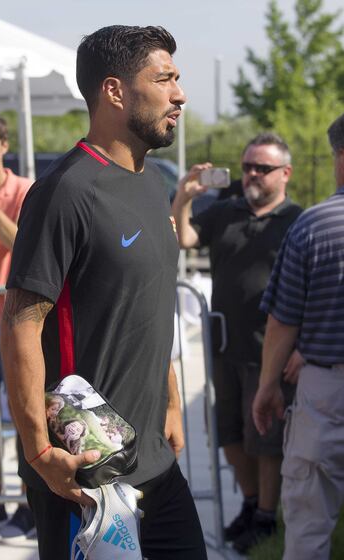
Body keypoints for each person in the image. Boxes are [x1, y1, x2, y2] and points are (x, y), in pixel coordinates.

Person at [0, 25, 207, 560]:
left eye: (177, 79)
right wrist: (39, 452)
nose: (179, 94)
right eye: (164, 80)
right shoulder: (65, 190)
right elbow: (21, 323)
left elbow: (148, 302)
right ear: (114, 91)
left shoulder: (149, 181)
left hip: (156, 463)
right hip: (86, 473)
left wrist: (171, 401)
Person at [172, 132, 303, 553]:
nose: (252, 175)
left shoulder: (298, 222)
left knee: (264, 438)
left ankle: (266, 518)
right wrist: (184, 196)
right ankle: (250, 505)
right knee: (226, 432)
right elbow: (185, 238)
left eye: (262, 168)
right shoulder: (226, 211)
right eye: (247, 166)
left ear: (285, 173)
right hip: (223, 345)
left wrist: (303, 347)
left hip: (270, 350)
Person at [253, 114, 344, 560]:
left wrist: (268, 385)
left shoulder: (312, 226)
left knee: (309, 528)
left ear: (338, 157)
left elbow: (282, 321)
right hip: (324, 382)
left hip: (326, 393)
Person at [0, 110, 35, 539]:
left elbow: (22, 244)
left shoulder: (23, 190)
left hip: (13, 317)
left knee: (22, 412)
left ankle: (28, 503)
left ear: (3, 146)